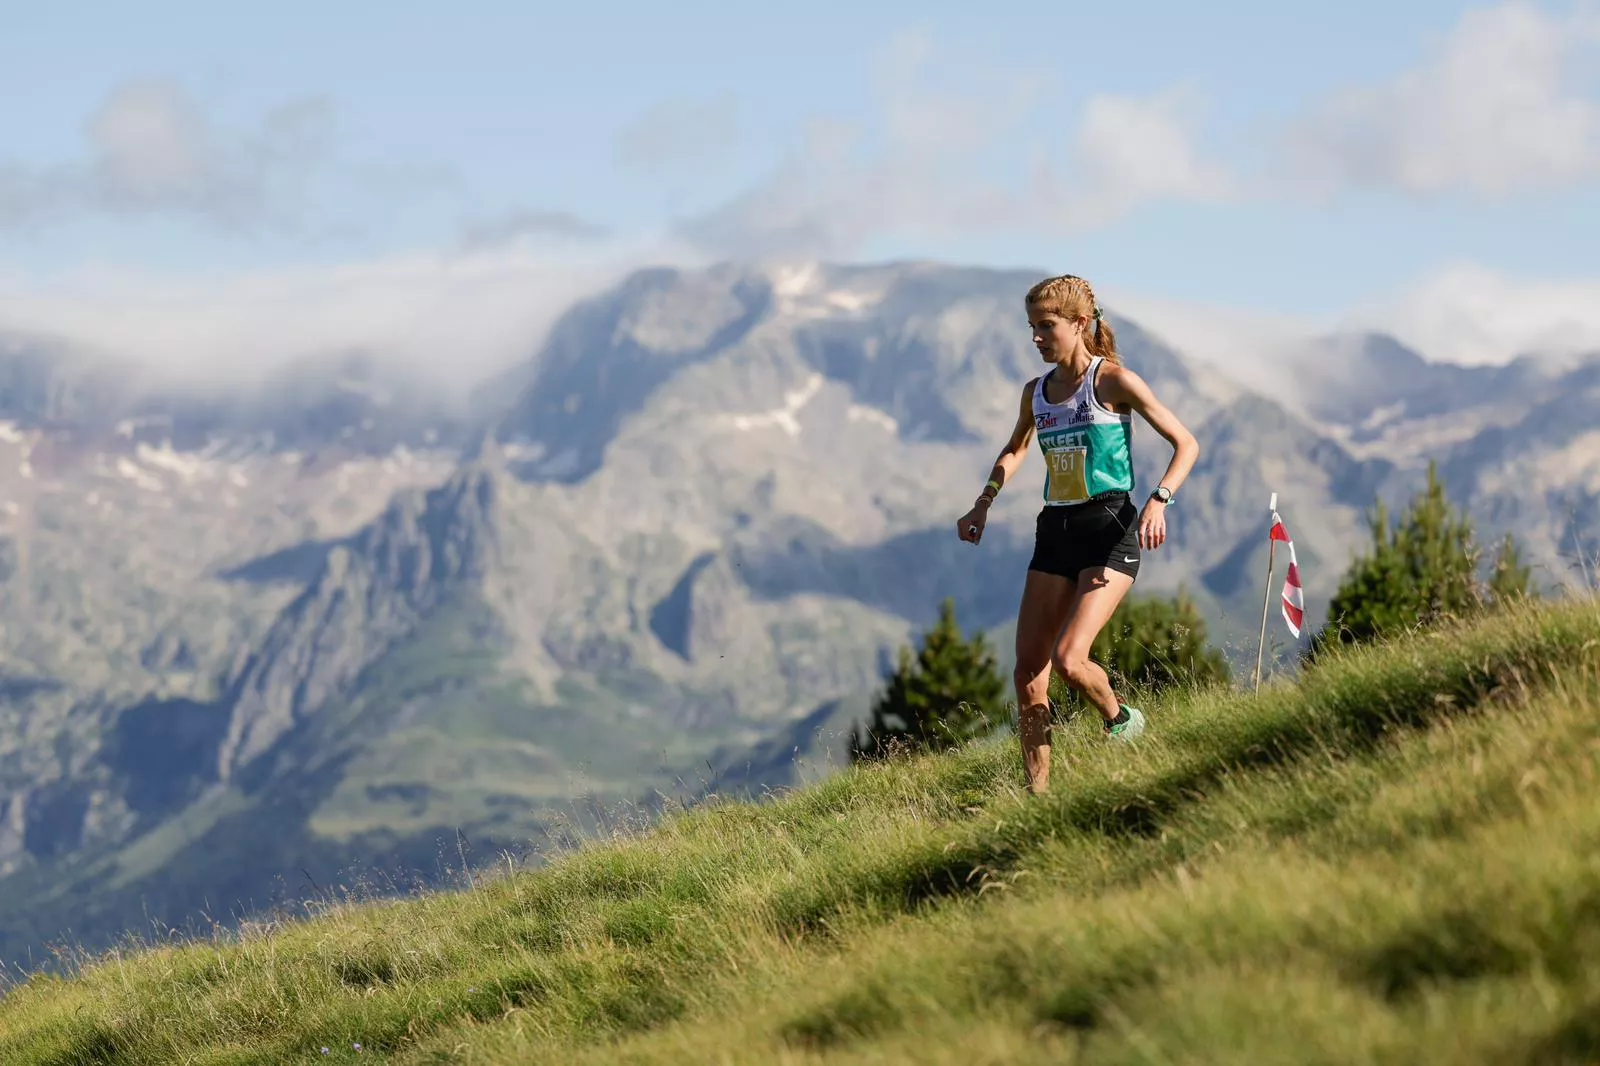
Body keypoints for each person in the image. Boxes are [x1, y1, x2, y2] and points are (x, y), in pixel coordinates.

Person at [956, 274, 1199, 794]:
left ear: (1079, 324)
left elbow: (1186, 443)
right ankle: (1038, 796)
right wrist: (983, 503)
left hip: (1110, 527)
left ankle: (1120, 719)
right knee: (1028, 674)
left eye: (1046, 327)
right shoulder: (1036, 393)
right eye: (1032, 328)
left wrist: (1160, 500)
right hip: (1056, 530)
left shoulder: (1112, 381)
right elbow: (1017, 448)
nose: (1037, 338)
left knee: (1070, 660)